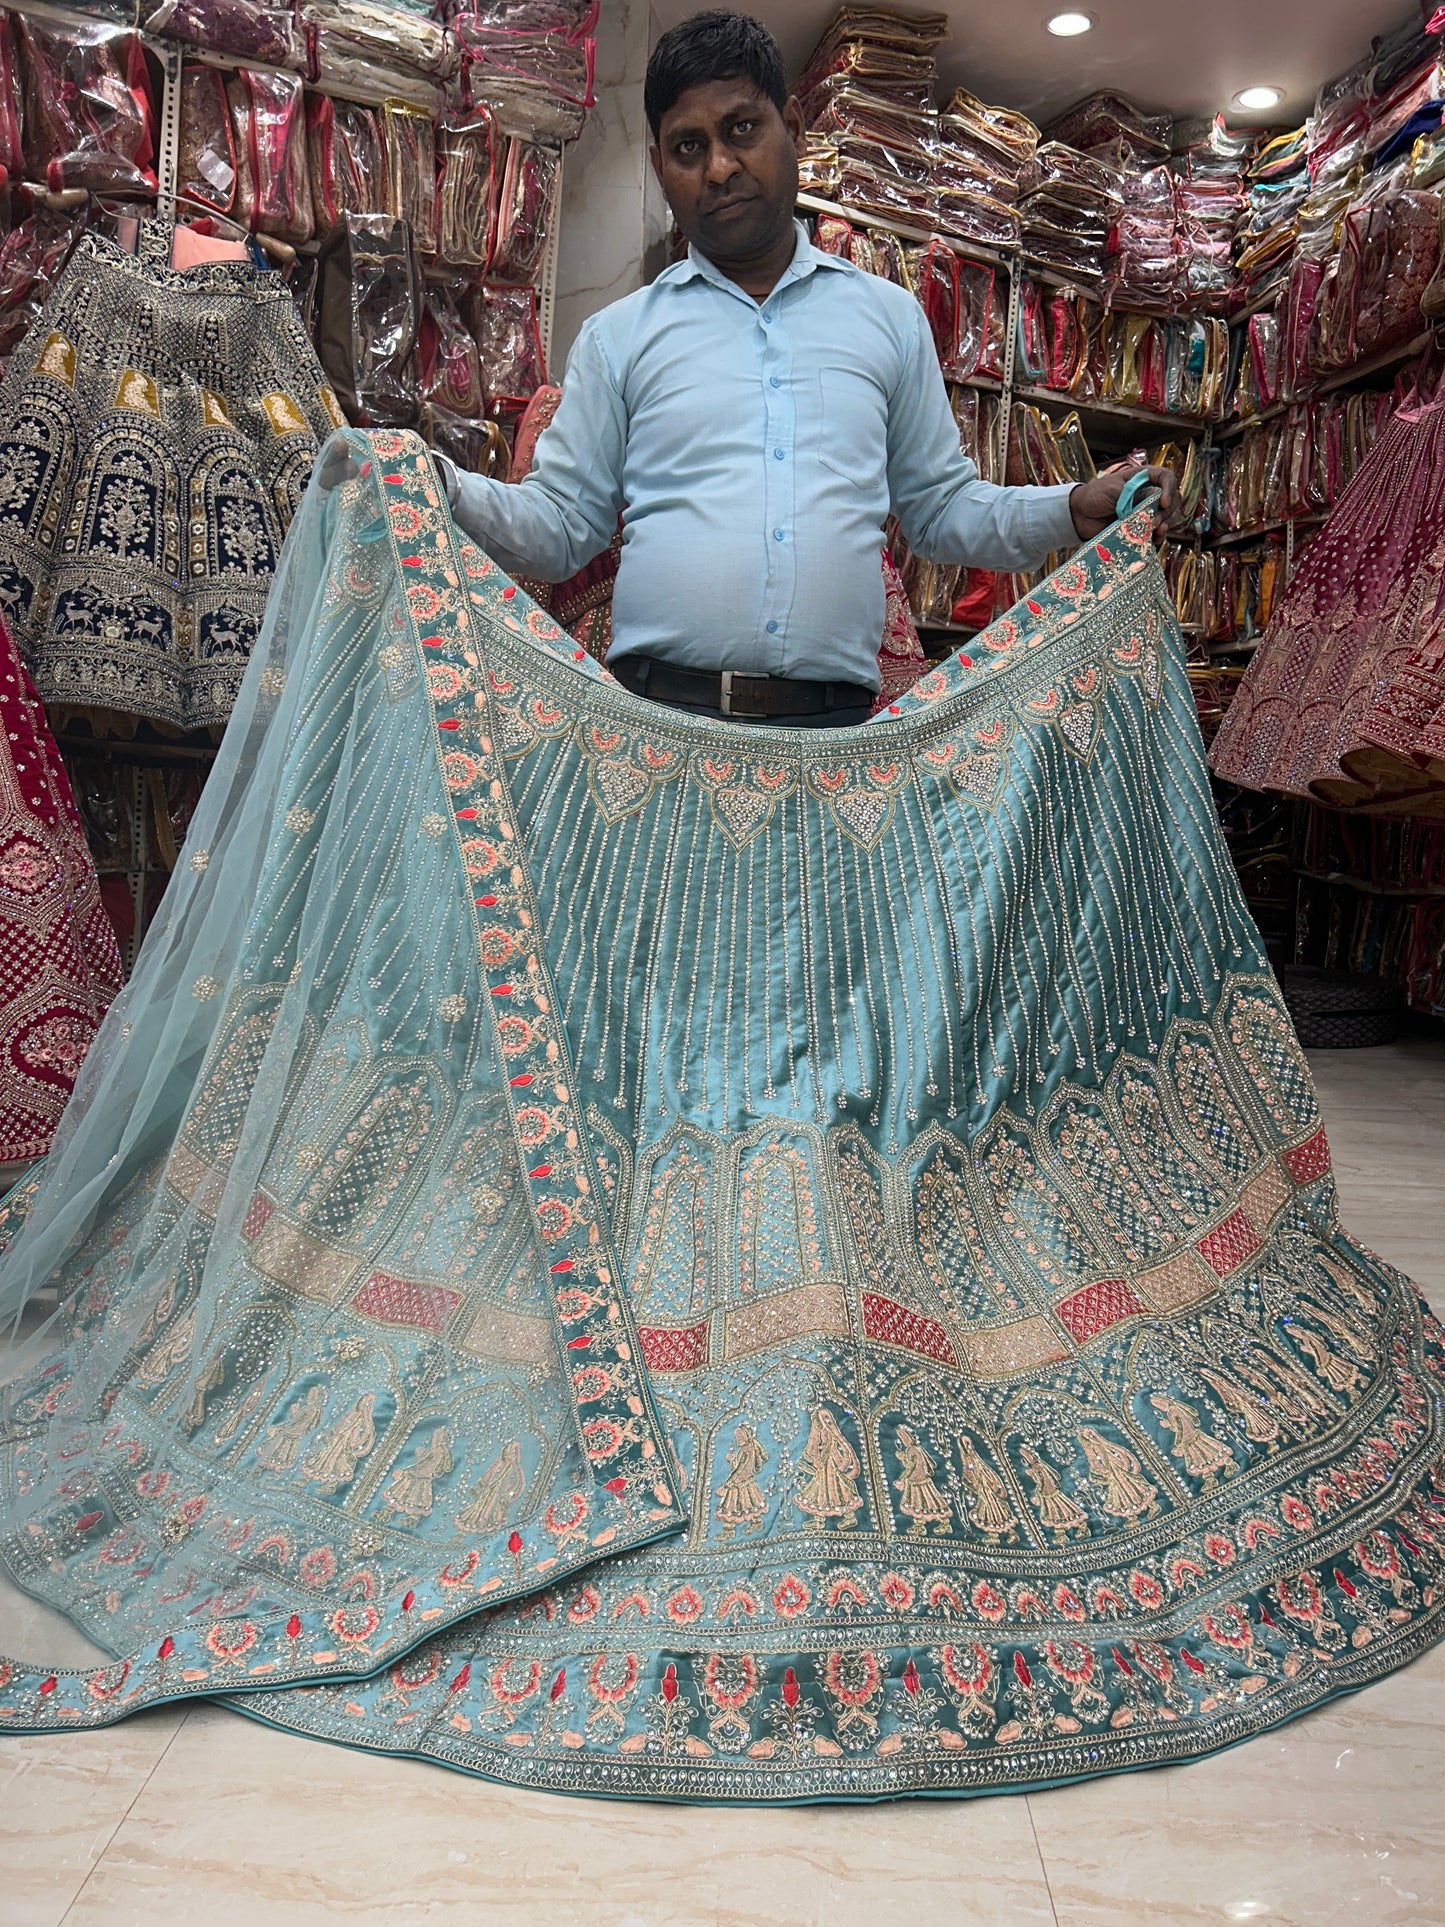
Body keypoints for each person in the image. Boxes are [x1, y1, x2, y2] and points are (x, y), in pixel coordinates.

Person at [322, 11, 1179, 727]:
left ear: (790, 131)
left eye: (741, 129)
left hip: (836, 735)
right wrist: (429, 479)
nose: (720, 166)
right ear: (660, 168)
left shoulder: (885, 318)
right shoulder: (622, 336)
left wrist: (1074, 505)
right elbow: (560, 530)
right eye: (687, 146)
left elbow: (945, 512)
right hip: (656, 728)